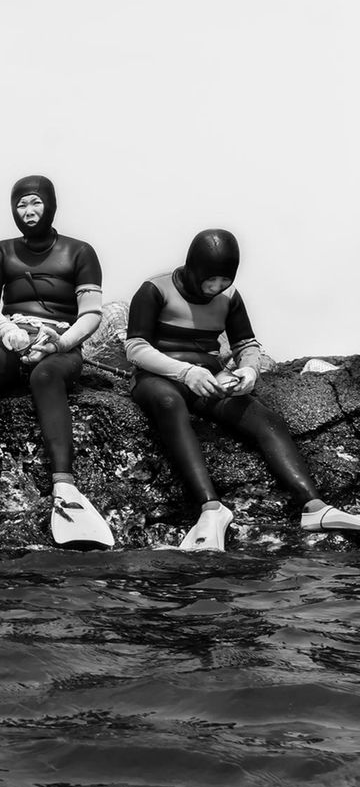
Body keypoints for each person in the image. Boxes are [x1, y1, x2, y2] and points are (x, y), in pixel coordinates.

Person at [125, 229, 360, 550]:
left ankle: (314, 507)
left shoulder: (229, 298)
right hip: (158, 378)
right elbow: (136, 348)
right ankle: (211, 508)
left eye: (224, 280)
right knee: (169, 403)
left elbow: (246, 344)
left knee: (267, 420)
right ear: (193, 269)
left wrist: (249, 369)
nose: (216, 288)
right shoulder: (155, 290)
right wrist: (185, 372)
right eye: (211, 280)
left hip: (211, 380)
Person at [0, 175, 114, 548]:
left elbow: (91, 314)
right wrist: (4, 330)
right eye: (21, 205)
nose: (28, 212)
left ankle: (64, 483)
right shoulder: (2, 251)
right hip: (15, 337)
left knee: (44, 377)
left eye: (35, 203)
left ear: (50, 205)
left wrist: (60, 343)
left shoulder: (80, 252)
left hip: (60, 346)